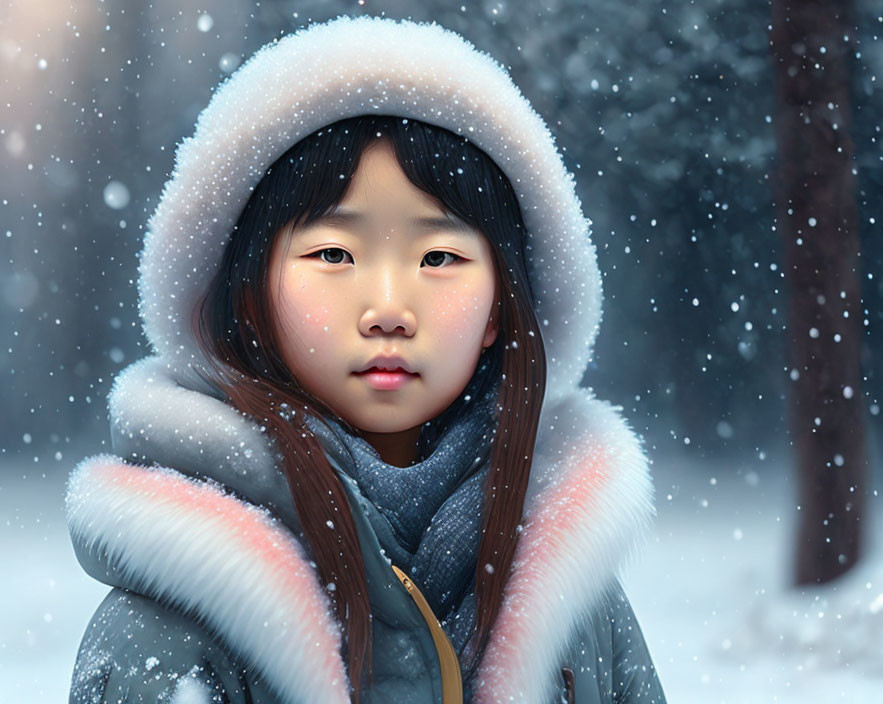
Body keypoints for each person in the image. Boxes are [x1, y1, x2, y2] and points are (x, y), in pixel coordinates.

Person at [67, 15, 666, 704]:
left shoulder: (573, 605)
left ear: (501, 306)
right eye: (333, 255)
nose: (388, 307)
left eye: (438, 257)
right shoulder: (166, 629)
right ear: (249, 294)